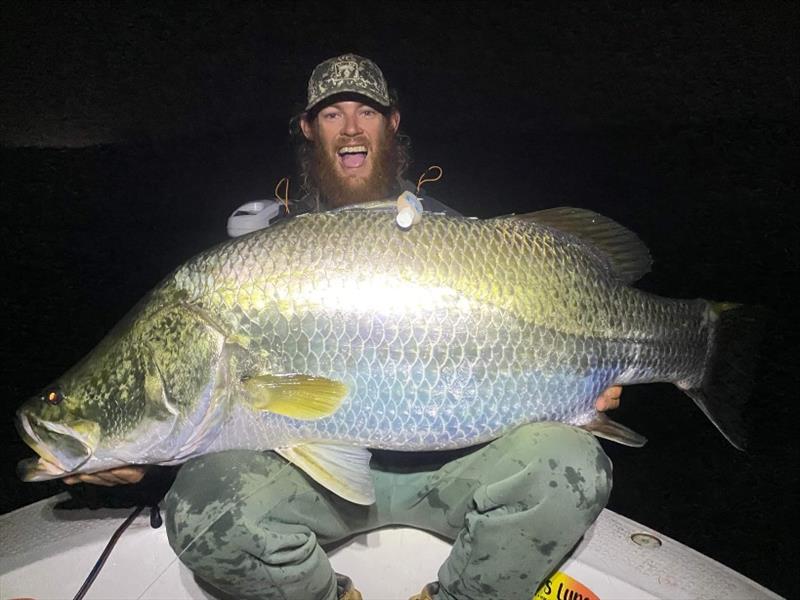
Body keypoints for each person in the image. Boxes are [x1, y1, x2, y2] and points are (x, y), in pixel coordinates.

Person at [65, 54, 622, 600]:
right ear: (310, 129)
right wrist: (138, 464)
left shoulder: (457, 240)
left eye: (366, 112)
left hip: (453, 468)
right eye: (333, 114)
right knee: (201, 513)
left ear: (391, 124)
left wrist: (583, 379)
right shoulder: (259, 256)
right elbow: (217, 422)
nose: (351, 128)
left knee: (571, 467)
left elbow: (522, 350)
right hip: (314, 486)